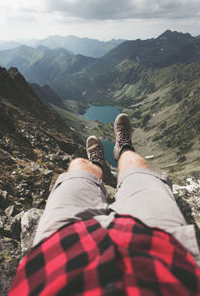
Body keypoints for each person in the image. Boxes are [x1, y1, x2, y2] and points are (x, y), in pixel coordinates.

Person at [9, 114, 200, 295]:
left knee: (78, 165)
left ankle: (99, 166)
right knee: (137, 163)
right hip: (160, 247)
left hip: (55, 255)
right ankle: (124, 149)